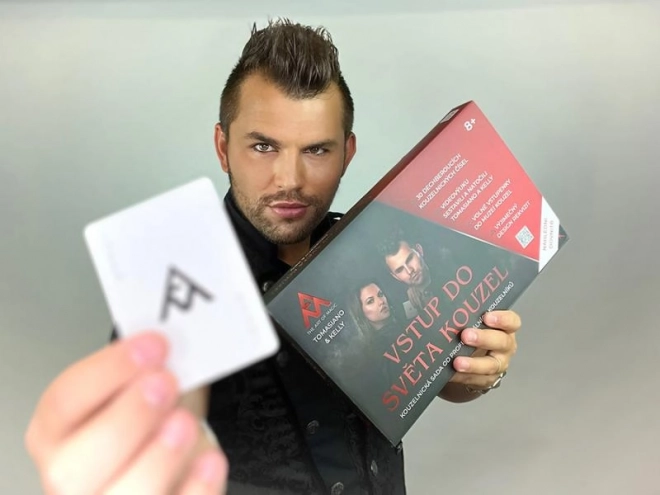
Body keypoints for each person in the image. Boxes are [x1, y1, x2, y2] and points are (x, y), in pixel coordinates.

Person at [25, 18, 522, 494]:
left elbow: (430, 374)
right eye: (263, 147)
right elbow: (134, 453)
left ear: (347, 154)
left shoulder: (375, 250)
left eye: (317, 150)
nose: (290, 180)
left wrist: (471, 373)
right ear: (223, 147)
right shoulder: (176, 284)